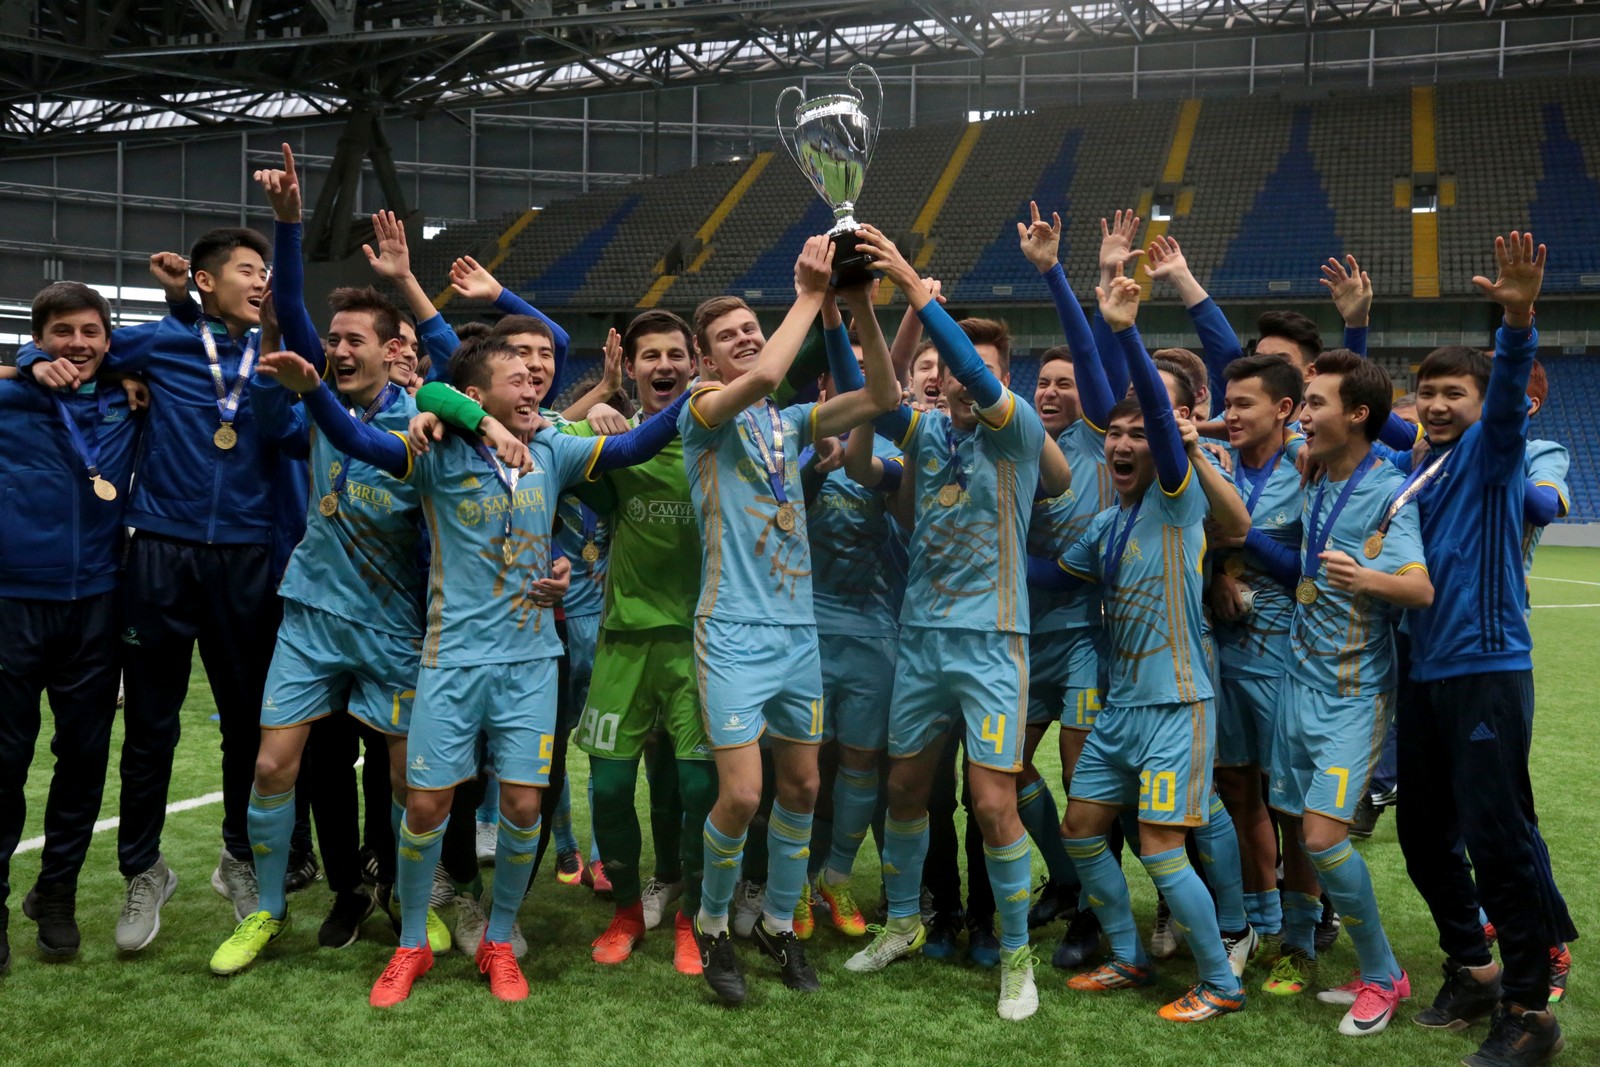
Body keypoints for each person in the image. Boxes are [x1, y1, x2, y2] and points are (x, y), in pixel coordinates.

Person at [16, 168, 300, 946]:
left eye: (266, 271)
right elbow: (77, 344)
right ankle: (144, 868)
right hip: (161, 552)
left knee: (246, 722)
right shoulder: (165, 342)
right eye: (247, 269)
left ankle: (239, 856)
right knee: (150, 723)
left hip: (248, 556)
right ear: (206, 282)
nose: (261, 281)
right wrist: (30, 356)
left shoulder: (280, 351)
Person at [841, 223, 1064, 1023]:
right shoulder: (926, 429)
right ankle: (905, 919)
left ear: (1001, 378)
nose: (961, 381)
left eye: (979, 371)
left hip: (994, 645)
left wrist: (912, 283)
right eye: (950, 372)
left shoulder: (1019, 429)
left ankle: (1015, 954)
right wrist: (867, 309)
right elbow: (877, 392)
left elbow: (966, 367)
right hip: (921, 641)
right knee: (906, 787)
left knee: (993, 801)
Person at [681, 236, 900, 1005]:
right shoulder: (701, 412)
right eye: (729, 335)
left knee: (802, 786)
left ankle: (778, 922)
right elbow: (769, 373)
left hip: (796, 634)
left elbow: (883, 396)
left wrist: (860, 305)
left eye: (751, 326)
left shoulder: (789, 424)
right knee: (743, 795)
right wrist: (810, 294)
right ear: (707, 360)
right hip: (731, 631)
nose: (745, 337)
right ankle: (713, 923)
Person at [1041, 273, 1249, 1023]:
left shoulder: (1176, 499)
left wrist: (1124, 330)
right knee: (1082, 831)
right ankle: (1129, 954)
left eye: (1137, 434)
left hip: (1176, 706)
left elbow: (1163, 427)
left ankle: (1221, 980)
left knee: (1161, 844)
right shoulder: (1108, 525)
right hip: (1120, 710)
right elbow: (1048, 575)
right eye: (1114, 435)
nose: (1123, 444)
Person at [1395, 232, 1576, 1067]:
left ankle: (1530, 1009)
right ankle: (1473, 969)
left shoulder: (1492, 452)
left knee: (1498, 841)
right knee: (1423, 835)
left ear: (1481, 400)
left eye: (1453, 392)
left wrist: (1517, 320)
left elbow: (1506, 403)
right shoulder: (1420, 468)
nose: (1436, 404)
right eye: (1427, 391)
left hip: (1487, 668)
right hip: (1426, 671)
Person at [206, 286, 424, 975]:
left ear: (393, 349)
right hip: (310, 615)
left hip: (393, 622)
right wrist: (274, 331)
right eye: (333, 339)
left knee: (405, 777)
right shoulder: (315, 403)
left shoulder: (423, 420)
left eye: (354, 339)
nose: (339, 350)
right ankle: (269, 910)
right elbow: (275, 409)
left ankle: (410, 906)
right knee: (273, 765)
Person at [1257, 349, 1433, 1036]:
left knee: (1325, 837)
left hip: (1353, 694)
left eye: (1314, 404)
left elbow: (1418, 588)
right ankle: (1357, 962)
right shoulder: (1318, 473)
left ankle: (1384, 976)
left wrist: (1366, 579)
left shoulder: (1387, 492)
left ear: (1358, 415)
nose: (1302, 416)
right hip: (1298, 680)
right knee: (1302, 826)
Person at [563, 309, 719, 973]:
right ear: (631, 369)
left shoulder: (719, 444)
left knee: (699, 789)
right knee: (606, 789)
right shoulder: (616, 445)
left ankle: (690, 914)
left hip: (698, 645)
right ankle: (627, 910)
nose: (663, 365)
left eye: (674, 354)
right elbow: (539, 437)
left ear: (695, 365)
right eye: (649, 356)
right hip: (624, 643)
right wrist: (597, 403)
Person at [0, 283, 142, 968]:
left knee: (83, 760)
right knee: (4, 760)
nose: (77, 344)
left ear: (109, 341)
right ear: (39, 337)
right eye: (61, 331)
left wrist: (128, 375)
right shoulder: (10, 395)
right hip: (12, 602)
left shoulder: (129, 399)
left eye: (90, 331)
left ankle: (56, 893)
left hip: (97, 606)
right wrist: (25, 365)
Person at [1208, 353, 1306, 959]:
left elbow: (1311, 572)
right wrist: (1214, 576)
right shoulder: (1216, 464)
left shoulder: (1305, 469)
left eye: (1245, 404)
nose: (1232, 415)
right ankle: (1260, 920)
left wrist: (1251, 542)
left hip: (1284, 661)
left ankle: (1302, 933)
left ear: (1284, 409)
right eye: (1228, 404)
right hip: (1221, 657)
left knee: (1289, 803)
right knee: (1236, 792)